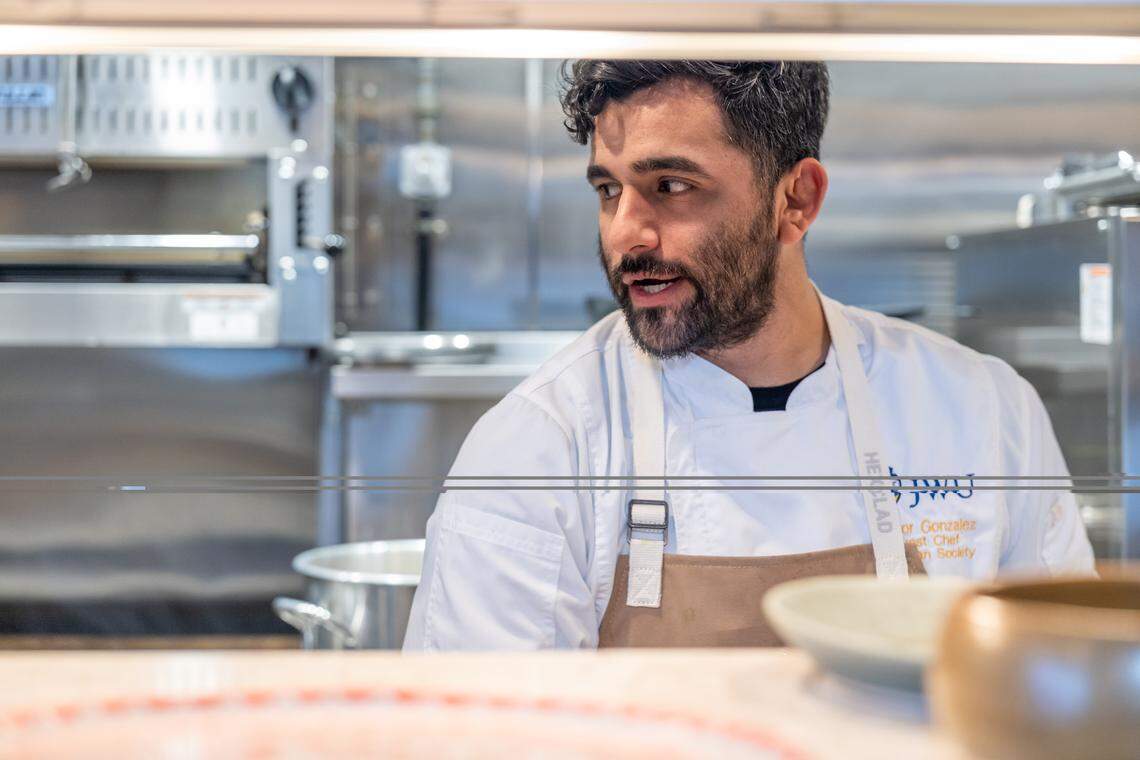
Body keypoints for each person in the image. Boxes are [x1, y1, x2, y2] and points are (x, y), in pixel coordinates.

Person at [403, 60, 1094, 651]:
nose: (625, 234)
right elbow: (479, 730)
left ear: (797, 200)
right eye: (608, 190)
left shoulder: (982, 411)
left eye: (672, 186)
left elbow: (1057, 682)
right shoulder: (539, 446)